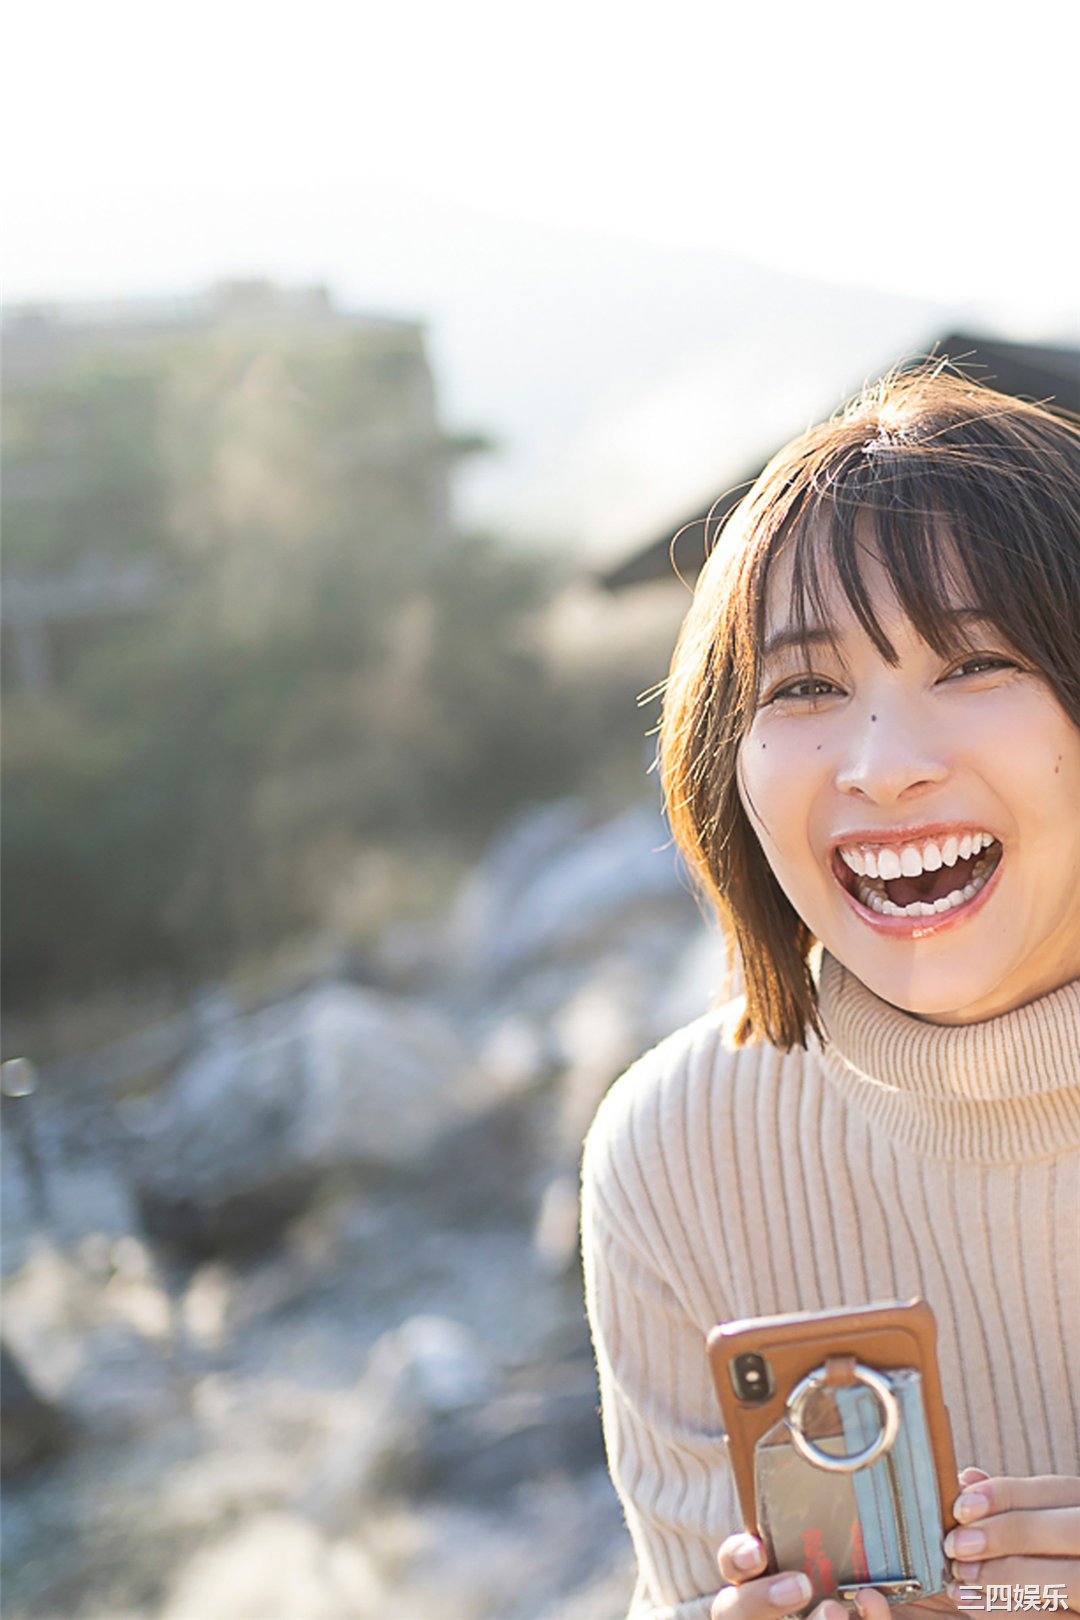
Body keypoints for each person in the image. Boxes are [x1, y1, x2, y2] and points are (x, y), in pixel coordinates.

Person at [579, 363, 1080, 1620]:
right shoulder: (680, 1152)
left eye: (974, 663)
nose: (881, 766)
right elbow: (680, 1590)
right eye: (804, 687)